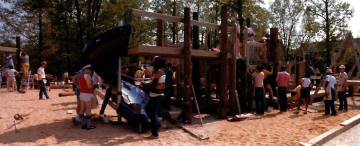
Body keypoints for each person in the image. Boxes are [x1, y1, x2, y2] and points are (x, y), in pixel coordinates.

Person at [141, 56, 165, 139]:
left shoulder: (157, 72)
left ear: (156, 63)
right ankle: (158, 124)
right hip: (157, 95)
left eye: (153, 62)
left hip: (156, 95)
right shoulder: (162, 71)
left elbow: (153, 85)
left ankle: (155, 133)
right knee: (149, 110)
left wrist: (143, 84)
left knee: (152, 112)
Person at [78, 65, 96, 130]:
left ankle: (83, 124)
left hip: (82, 93)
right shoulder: (87, 76)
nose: (91, 71)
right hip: (88, 94)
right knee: (88, 110)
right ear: (87, 70)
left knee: (82, 109)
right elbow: (89, 86)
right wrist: (94, 86)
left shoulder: (80, 76)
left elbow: (80, 86)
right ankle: (89, 125)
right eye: (90, 70)